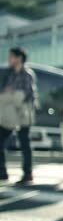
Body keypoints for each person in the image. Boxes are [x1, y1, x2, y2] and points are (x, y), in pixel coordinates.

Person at [0, 47, 37, 184]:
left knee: (24, 143)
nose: (9, 59)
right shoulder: (9, 74)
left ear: (19, 58)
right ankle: (2, 172)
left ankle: (28, 173)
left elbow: (27, 94)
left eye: (11, 57)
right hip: (9, 114)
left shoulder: (27, 74)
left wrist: (11, 93)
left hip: (22, 114)